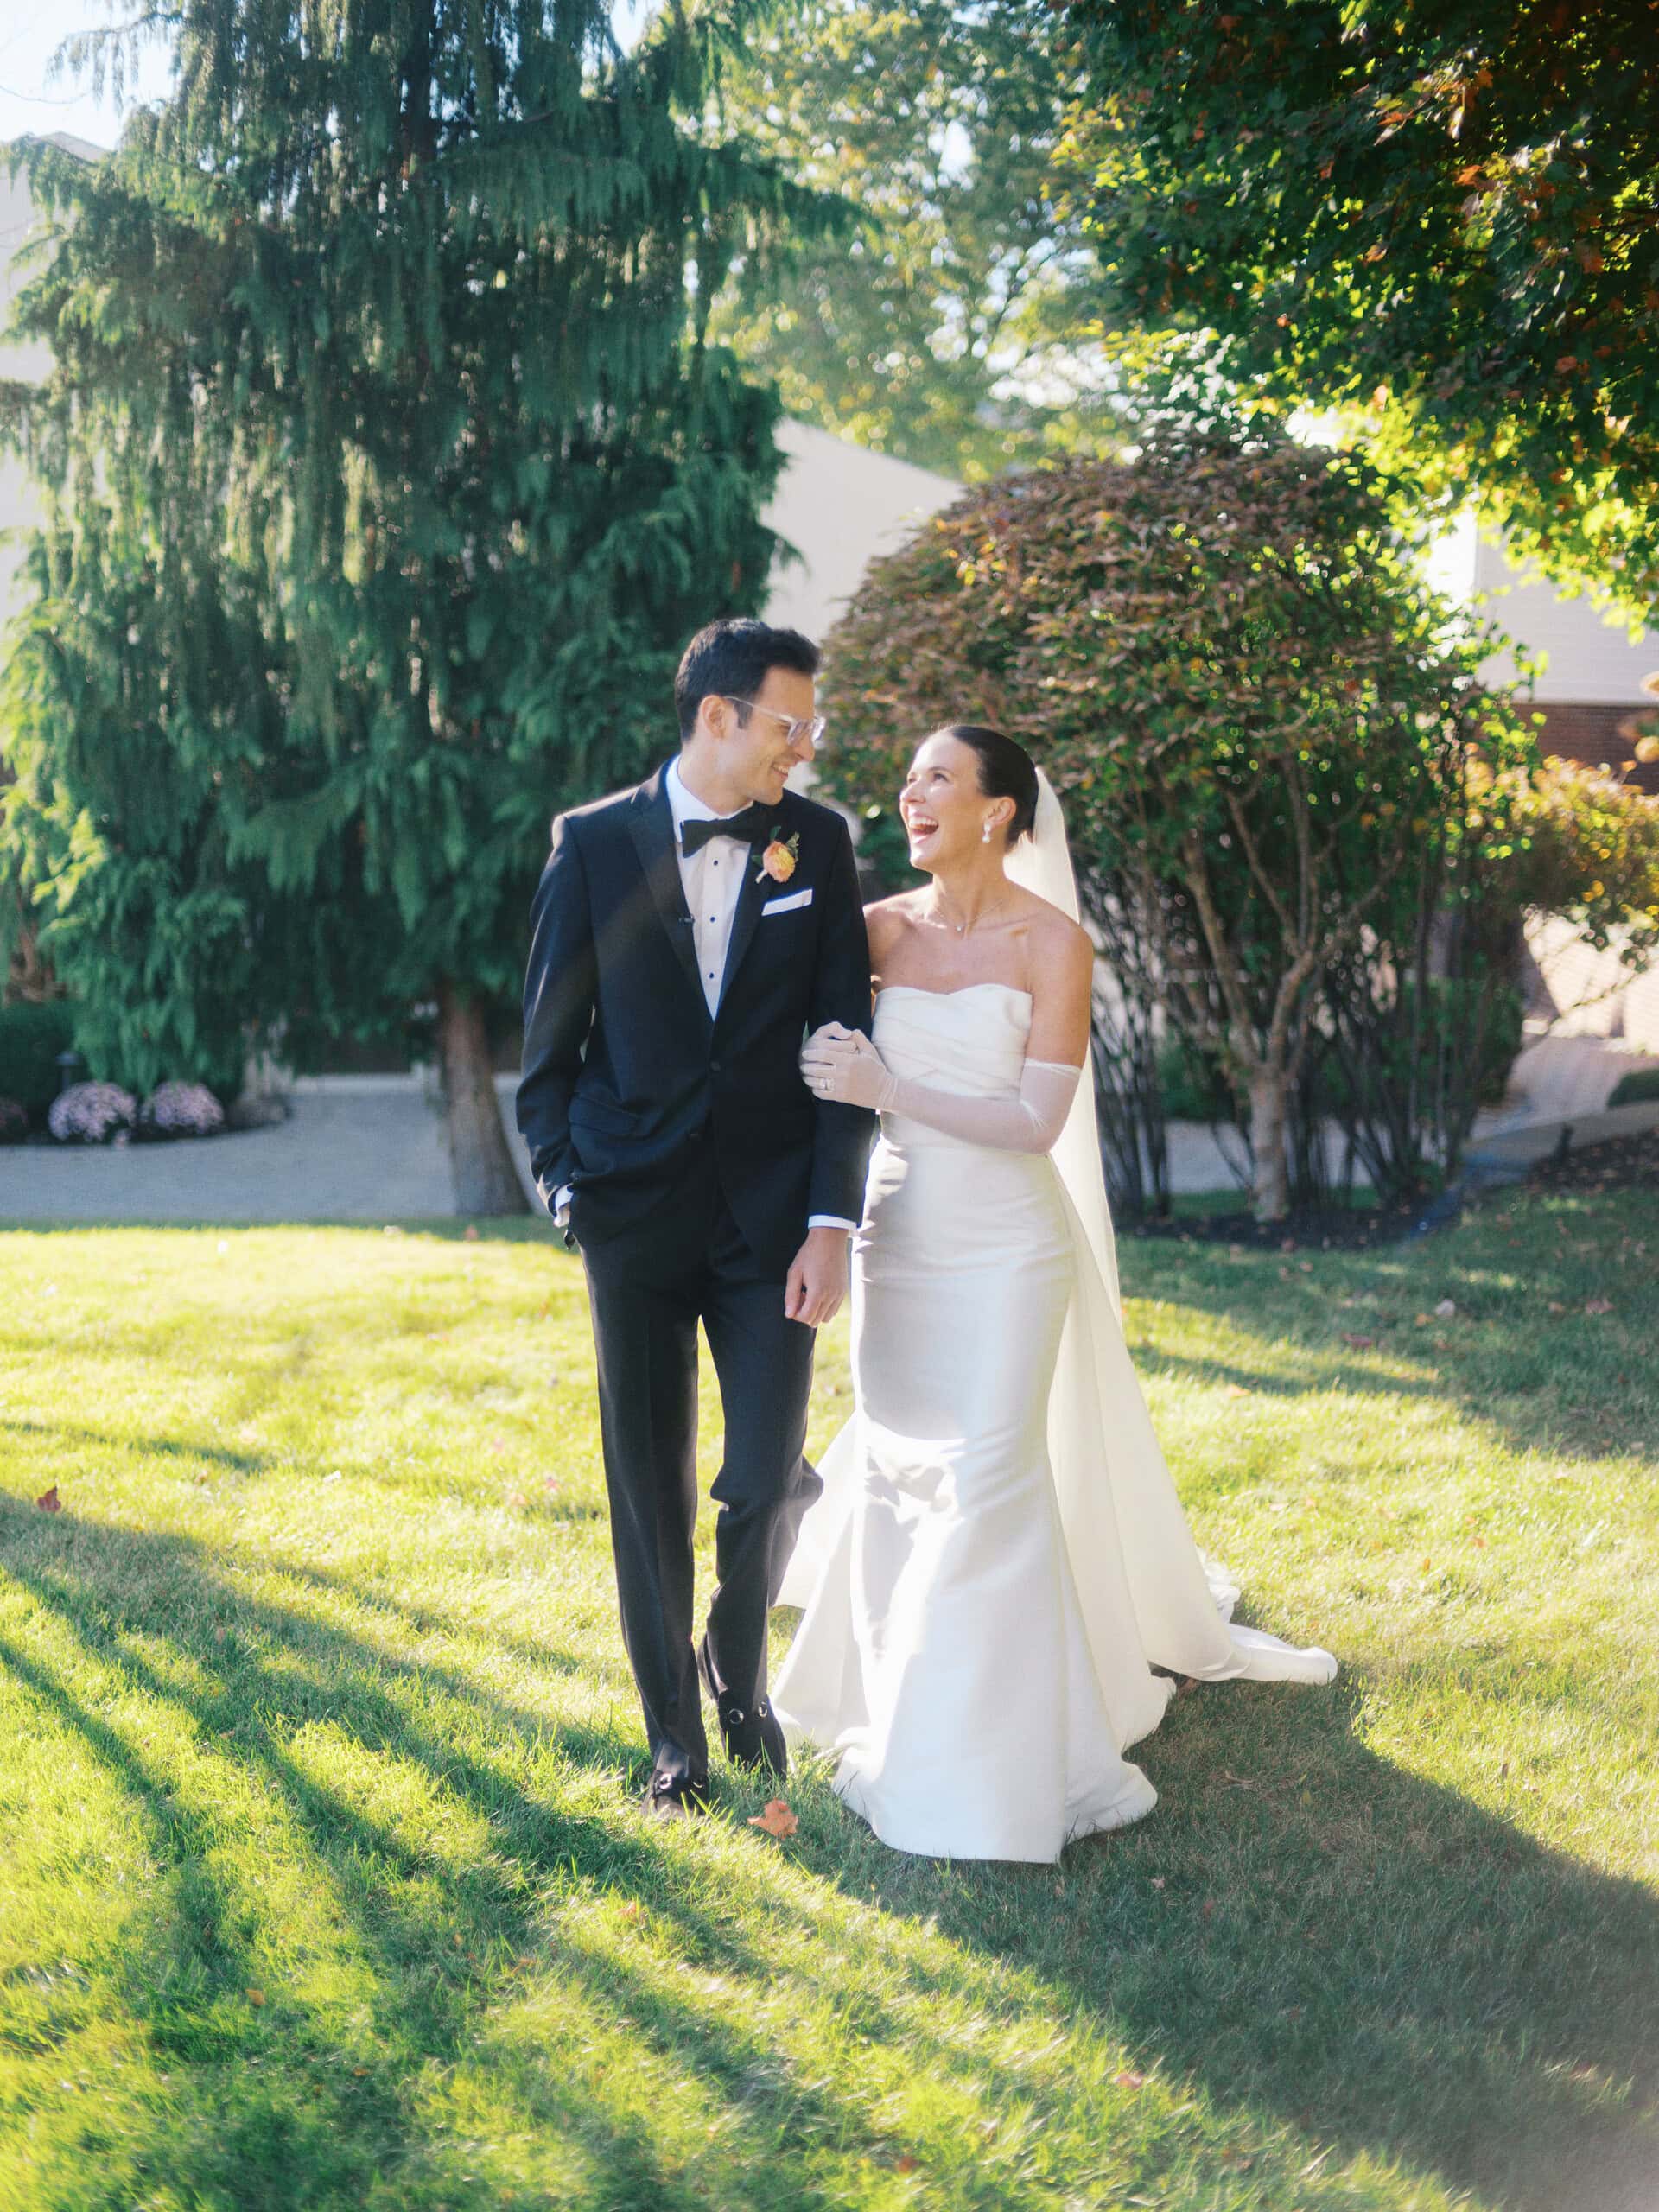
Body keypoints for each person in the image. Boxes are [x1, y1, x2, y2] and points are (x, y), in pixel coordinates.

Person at [773, 724, 1337, 1863]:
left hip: (1009, 1250)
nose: (912, 795)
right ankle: (906, 1709)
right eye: (909, 779)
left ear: (998, 812)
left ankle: (989, 1770)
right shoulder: (874, 931)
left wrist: (891, 1085)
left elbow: (1037, 1122)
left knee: (988, 1481)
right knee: (900, 1480)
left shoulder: (1054, 943)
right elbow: (797, 1050)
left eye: (938, 779)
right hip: (899, 1240)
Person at [517, 620, 875, 1820]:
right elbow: (547, 1054)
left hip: (774, 1221)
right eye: (789, 725)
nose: (802, 749)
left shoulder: (819, 844)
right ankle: (677, 1740)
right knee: (648, 1485)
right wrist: (568, 1187)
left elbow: (844, 1045)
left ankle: (735, 1649)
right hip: (632, 1214)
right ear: (719, 717)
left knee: (768, 1476)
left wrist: (830, 1219)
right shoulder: (592, 846)